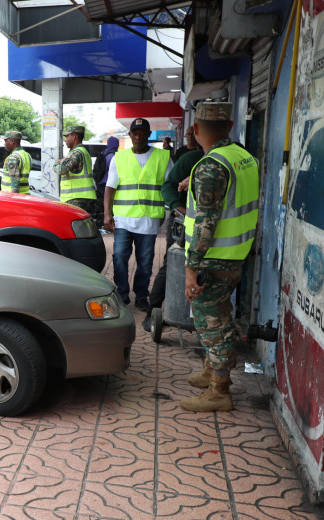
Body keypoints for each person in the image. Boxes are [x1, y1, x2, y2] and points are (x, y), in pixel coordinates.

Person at [180, 101, 259, 413]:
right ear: (229, 126)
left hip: (212, 261)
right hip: (234, 255)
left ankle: (219, 390)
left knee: (213, 323)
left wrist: (190, 268)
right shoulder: (243, 157)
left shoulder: (212, 166)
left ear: (197, 129)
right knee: (218, 317)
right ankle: (213, 370)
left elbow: (206, 223)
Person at [103, 118, 173, 310]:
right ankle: (123, 293)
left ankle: (141, 295)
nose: (138, 136)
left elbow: (170, 186)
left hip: (149, 219)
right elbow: (110, 187)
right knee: (119, 257)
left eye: (142, 133)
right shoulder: (120, 158)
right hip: (124, 219)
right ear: (130, 135)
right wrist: (107, 214)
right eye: (134, 133)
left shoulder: (163, 157)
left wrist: (173, 208)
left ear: (149, 135)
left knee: (145, 261)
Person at [142, 147, 205, 331]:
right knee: (172, 264)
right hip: (183, 223)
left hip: (215, 230)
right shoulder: (192, 158)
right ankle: (151, 312)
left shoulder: (232, 158)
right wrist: (179, 209)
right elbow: (168, 186)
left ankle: (198, 317)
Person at [55, 125, 96, 214]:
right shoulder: (83, 151)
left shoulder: (76, 153)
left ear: (74, 137)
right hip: (84, 197)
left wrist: (56, 164)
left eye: (67, 136)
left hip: (76, 198)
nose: (65, 140)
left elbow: (62, 170)